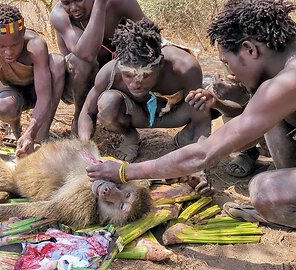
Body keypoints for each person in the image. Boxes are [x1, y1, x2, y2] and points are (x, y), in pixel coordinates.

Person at [86, 0, 296, 228]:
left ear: (250, 49)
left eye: (227, 62)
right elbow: (245, 131)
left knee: (265, 191)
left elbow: (203, 153)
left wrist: (125, 171)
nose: (232, 73)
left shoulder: (284, 84)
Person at [78, 19, 211, 162]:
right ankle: (130, 135)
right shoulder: (110, 73)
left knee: (199, 100)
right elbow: (87, 111)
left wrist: (198, 161)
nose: (135, 83)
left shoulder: (185, 67)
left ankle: (188, 135)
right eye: (128, 75)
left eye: (145, 75)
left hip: (175, 116)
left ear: (159, 64)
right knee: (107, 102)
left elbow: (201, 118)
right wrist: (86, 149)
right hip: (136, 116)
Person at [0, 4, 65, 157]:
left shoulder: (35, 45)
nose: (8, 52)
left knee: (57, 62)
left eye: (15, 45)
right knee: (5, 106)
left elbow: (44, 96)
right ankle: (14, 129)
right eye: (1, 46)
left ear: (22, 34)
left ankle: (41, 136)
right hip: (11, 89)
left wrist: (31, 133)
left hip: (38, 89)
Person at [50, 0, 146, 134]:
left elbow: (149, 35)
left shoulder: (118, 3)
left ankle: (129, 129)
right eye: (66, 3)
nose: (74, 8)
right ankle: (80, 117)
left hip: (119, 74)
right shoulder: (59, 14)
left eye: (79, 0)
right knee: (80, 62)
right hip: (78, 85)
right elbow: (86, 54)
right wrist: (99, 7)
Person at [187, 75, 270, 178]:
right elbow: (242, 111)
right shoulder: (237, 63)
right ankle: (251, 151)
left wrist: (243, 98)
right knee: (220, 136)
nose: (222, 59)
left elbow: (274, 108)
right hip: (261, 113)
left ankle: (285, 165)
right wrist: (216, 102)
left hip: (284, 116)